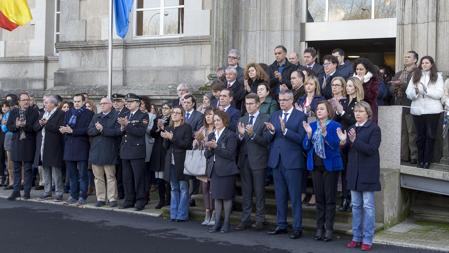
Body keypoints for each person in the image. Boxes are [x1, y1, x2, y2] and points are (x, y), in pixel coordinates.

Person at [265, 89, 306, 239]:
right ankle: (281, 224)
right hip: (276, 161)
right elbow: (269, 139)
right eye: (280, 100)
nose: (281, 102)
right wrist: (270, 132)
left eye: (284, 100)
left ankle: (297, 227)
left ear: (292, 100)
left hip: (293, 162)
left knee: (295, 197)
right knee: (280, 195)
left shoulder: (301, 116)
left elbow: (302, 139)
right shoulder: (275, 115)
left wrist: (285, 130)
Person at [303, 100, 345, 242]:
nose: (319, 111)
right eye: (317, 109)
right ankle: (319, 228)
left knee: (330, 198)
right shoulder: (312, 125)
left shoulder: (335, 126)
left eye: (322, 109)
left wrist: (326, 133)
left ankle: (329, 229)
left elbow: (335, 145)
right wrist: (309, 134)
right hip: (315, 165)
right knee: (319, 198)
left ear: (328, 111)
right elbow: (306, 146)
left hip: (330, 166)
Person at [344, 101, 381, 251]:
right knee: (356, 206)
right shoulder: (351, 128)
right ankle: (356, 237)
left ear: (368, 113)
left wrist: (354, 141)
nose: (357, 114)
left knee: (368, 207)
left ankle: (367, 239)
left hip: (368, 172)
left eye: (361, 111)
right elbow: (348, 150)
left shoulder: (374, 128)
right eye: (356, 112)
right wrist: (343, 142)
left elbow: (371, 149)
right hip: (354, 172)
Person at [235, 93, 271, 231]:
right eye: (246, 103)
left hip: (259, 161)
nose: (248, 106)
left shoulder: (266, 118)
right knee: (246, 192)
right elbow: (238, 141)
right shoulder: (242, 118)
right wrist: (240, 135)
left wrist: (252, 135)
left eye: (251, 103)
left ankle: (260, 219)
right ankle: (246, 219)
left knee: (259, 192)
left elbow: (266, 141)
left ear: (258, 104)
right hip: (244, 161)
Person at [405, 56, 444, 169]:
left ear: (431, 64)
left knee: (430, 136)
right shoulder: (415, 75)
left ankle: (427, 160)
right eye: (422, 63)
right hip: (417, 110)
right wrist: (416, 91)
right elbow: (408, 93)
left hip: (432, 111)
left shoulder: (438, 76)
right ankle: (420, 159)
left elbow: (439, 93)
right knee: (420, 136)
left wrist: (425, 91)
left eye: (427, 63)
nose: (424, 65)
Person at [205, 110, 239, 233]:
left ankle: (226, 223)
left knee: (227, 198)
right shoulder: (211, 135)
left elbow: (230, 154)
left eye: (218, 120)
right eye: (214, 120)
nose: (216, 122)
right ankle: (217, 223)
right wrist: (209, 148)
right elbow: (207, 155)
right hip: (214, 170)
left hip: (227, 170)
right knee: (217, 197)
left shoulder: (231, 135)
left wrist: (216, 147)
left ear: (224, 121)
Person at [60, 94, 94, 205]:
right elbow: (64, 124)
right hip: (69, 146)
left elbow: (87, 130)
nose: (76, 103)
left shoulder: (89, 113)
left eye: (78, 101)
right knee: (72, 174)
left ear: (84, 102)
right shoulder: (69, 112)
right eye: (74, 101)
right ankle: (73, 195)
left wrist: (72, 131)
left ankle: (82, 196)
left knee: (83, 174)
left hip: (81, 146)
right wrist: (63, 129)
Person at [87, 97, 122, 207]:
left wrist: (103, 130)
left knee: (110, 176)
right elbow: (89, 131)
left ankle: (112, 198)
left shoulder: (116, 116)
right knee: (98, 177)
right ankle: (100, 198)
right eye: (101, 103)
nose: (102, 105)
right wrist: (98, 130)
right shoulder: (96, 116)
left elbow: (118, 132)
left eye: (104, 103)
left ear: (110, 105)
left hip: (109, 150)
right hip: (96, 151)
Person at [118, 93, 149, 211]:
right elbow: (121, 132)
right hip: (125, 149)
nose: (128, 104)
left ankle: (141, 200)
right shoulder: (125, 114)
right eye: (127, 102)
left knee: (138, 177)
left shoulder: (143, 115)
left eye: (130, 102)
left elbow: (140, 132)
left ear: (138, 103)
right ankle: (129, 199)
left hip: (136, 150)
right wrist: (122, 127)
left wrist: (127, 125)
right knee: (127, 177)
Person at [162, 106, 193, 222]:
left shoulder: (186, 127)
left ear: (182, 116)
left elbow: (186, 145)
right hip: (170, 162)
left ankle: (182, 214)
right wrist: (166, 138)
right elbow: (165, 147)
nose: (174, 114)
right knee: (173, 188)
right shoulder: (169, 127)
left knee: (183, 188)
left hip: (182, 161)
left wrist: (172, 137)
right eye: (173, 112)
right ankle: (173, 214)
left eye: (177, 113)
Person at [7, 92, 39, 201]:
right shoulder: (13, 112)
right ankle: (16, 191)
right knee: (16, 169)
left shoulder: (34, 112)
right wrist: (16, 125)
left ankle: (26, 192)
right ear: (19, 101)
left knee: (27, 169)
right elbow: (9, 126)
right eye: (24, 100)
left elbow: (35, 128)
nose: (26, 102)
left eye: (27, 100)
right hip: (16, 143)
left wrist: (25, 125)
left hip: (28, 143)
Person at [33, 95, 66, 201]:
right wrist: (40, 123)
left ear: (53, 103)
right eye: (45, 102)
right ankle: (47, 192)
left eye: (47, 102)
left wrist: (47, 124)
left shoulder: (61, 113)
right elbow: (35, 127)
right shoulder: (42, 113)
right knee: (45, 168)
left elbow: (60, 129)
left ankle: (59, 193)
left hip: (54, 146)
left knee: (56, 170)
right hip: (42, 145)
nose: (45, 104)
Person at [390, 51, 419, 164]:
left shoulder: (418, 73)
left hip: (412, 105)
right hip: (399, 105)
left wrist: (401, 84)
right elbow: (390, 90)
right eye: (405, 57)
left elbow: (415, 88)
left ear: (415, 60)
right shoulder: (399, 73)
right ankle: (404, 156)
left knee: (412, 132)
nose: (406, 59)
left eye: (408, 57)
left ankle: (414, 156)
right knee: (402, 132)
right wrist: (395, 86)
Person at [193, 107, 215, 226]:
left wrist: (205, 141)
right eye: (206, 115)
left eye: (210, 115)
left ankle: (215, 213)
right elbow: (195, 145)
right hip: (203, 162)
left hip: (214, 162)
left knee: (213, 189)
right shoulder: (202, 128)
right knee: (205, 189)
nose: (208, 117)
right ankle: (207, 212)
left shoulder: (218, 128)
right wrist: (197, 140)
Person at [149, 103, 172, 209]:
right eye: (163, 108)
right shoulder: (157, 119)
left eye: (166, 108)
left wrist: (163, 128)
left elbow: (170, 133)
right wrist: (157, 129)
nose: (164, 110)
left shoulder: (172, 119)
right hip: (157, 149)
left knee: (166, 177)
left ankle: (168, 199)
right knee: (158, 177)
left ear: (171, 110)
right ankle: (161, 199)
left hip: (166, 150)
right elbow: (152, 134)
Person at [112, 93, 129, 200]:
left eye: (118, 101)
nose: (115, 103)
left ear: (123, 102)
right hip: (112, 145)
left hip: (122, 144)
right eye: (114, 101)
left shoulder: (126, 112)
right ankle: (116, 192)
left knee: (121, 172)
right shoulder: (112, 112)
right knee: (114, 170)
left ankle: (121, 193)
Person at [141, 95, 157, 206]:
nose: (140, 106)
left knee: (146, 173)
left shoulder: (151, 116)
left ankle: (146, 196)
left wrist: (142, 126)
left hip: (147, 146)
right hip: (135, 148)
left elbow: (151, 132)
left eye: (142, 104)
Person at [353, 58, 380, 122]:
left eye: (361, 69)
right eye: (357, 69)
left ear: (367, 70)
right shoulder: (353, 79)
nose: (358, 71)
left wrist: (362, 84)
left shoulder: (373, 80)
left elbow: (371, 97)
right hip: (355, 111)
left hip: (368, 111)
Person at [1, 101, 14, 190]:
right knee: (8, 161)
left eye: (6, 106)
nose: (4, 108)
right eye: (3, 107)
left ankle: (12, 181)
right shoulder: (5, 116)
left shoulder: (10, 114)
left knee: (11, 161)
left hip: (10, 137)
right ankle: (10, 180)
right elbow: (3, 127)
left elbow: (6, 127)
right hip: (7, 137)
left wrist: (5, 124)